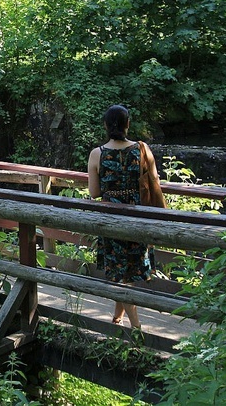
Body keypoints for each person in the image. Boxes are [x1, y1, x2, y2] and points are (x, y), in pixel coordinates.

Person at [87, 104, 156, 330]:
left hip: (112, 218)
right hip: (138, 215)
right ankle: (118, 318)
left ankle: (135, 328)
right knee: (127, 273)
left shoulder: (97, 154)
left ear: (106, 126)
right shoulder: (142, 150)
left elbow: (94, 193)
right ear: (128, 124)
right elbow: (154, 182)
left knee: (119, 272)